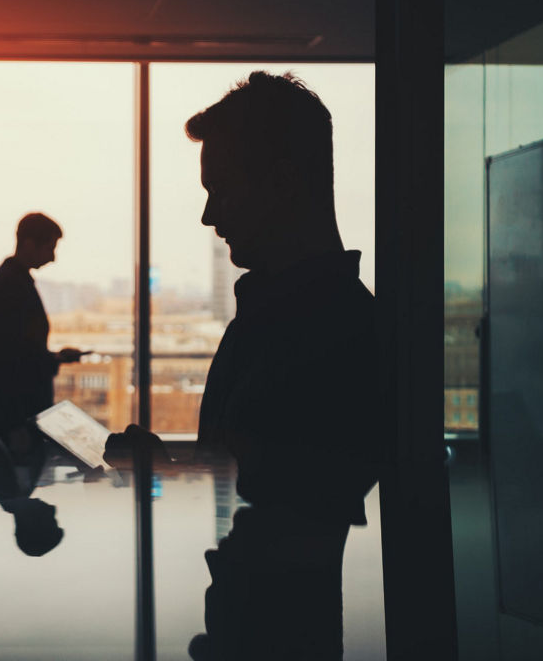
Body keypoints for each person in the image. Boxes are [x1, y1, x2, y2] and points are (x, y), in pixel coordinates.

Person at [181, 71, 383, 660]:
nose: (208, 215)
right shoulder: (289, 317)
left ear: (283, 184)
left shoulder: (327, 333)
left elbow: (282, 513)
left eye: (220, 188)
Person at [0, 213, 85, 457]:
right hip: (19, 416)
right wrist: (18, 425)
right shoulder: (13, 285)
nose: (53, 257)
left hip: (16, 414)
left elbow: (18, 350)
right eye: (49, 248)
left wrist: (55, 358)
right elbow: (14, 360)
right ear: (29, 244)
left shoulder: (12, 281)